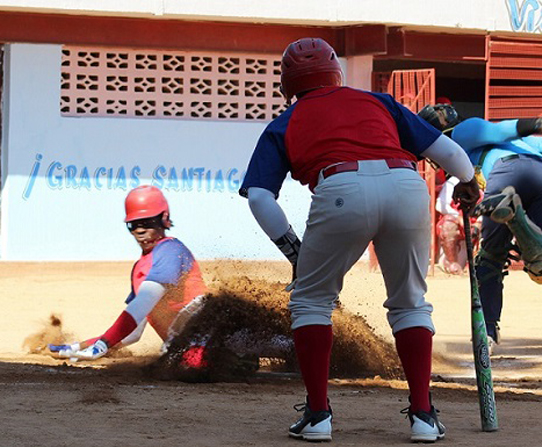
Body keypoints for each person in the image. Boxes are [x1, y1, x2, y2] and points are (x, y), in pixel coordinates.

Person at [239, 37, 479, 443]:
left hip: (339, 189)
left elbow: (260, 197)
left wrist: (293, 250)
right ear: (337, 72)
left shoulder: (284, 123)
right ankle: (423, 416)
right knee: (410, 303)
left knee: (311, 300)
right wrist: (469, 185)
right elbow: (453, 155)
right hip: (406, 185)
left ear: (288, 84)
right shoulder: (378, 102)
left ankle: (317, 417)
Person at [418, 103, 542, 350]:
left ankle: (487, 331)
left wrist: (539, 123)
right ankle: (517, 217)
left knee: (489, 259)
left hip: (507, 174)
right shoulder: (467, 156)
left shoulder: (461, 133)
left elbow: (499, 131)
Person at [49, 185, 207, 362]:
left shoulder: (171, 250)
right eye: (133, 225)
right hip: (188, 350)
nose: (139, 231)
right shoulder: (139, 269)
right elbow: (132, 331)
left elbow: (142, 303)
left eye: (147, 222)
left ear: (164, 218)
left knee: (180, 359)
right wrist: (79, 347)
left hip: (210, 342)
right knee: (175, 358)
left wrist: (103, 345)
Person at [434, 169, 482, 275]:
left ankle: (474, 264)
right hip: (456, 221)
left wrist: (478, 221)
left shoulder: (484, 181)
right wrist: (458, 217)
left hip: (476, 220)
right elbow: (440, 205)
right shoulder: (452, 182)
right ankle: (453, 263)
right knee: (448, 226)